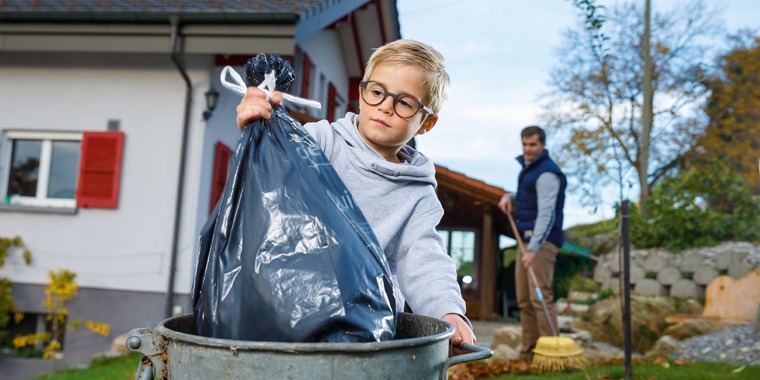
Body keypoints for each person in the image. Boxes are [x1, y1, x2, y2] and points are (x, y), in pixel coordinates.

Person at [235, 39, 475, 353]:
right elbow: (269, 177)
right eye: (377, 92)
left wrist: (448, 310)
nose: (385, 106)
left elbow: (423, 258)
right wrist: (257, 126)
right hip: (288, 302)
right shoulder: (320, 142)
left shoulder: (417, 195)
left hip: (364, 328)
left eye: (404, 103)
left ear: (426, 122)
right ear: (362, 92)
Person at [498, 126, 566, 362]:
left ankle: (552, 356)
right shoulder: (530, 170)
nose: (528, 149)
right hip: (525, 242)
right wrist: (511, 197)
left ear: (543, 146)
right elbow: (529, 200)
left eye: (533, 145)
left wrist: (534, 249)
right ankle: (528, 353)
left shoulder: (547, 173)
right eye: (525, 145)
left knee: (540, 298)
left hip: (541, 243)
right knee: (525, 301)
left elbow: (546, 215)